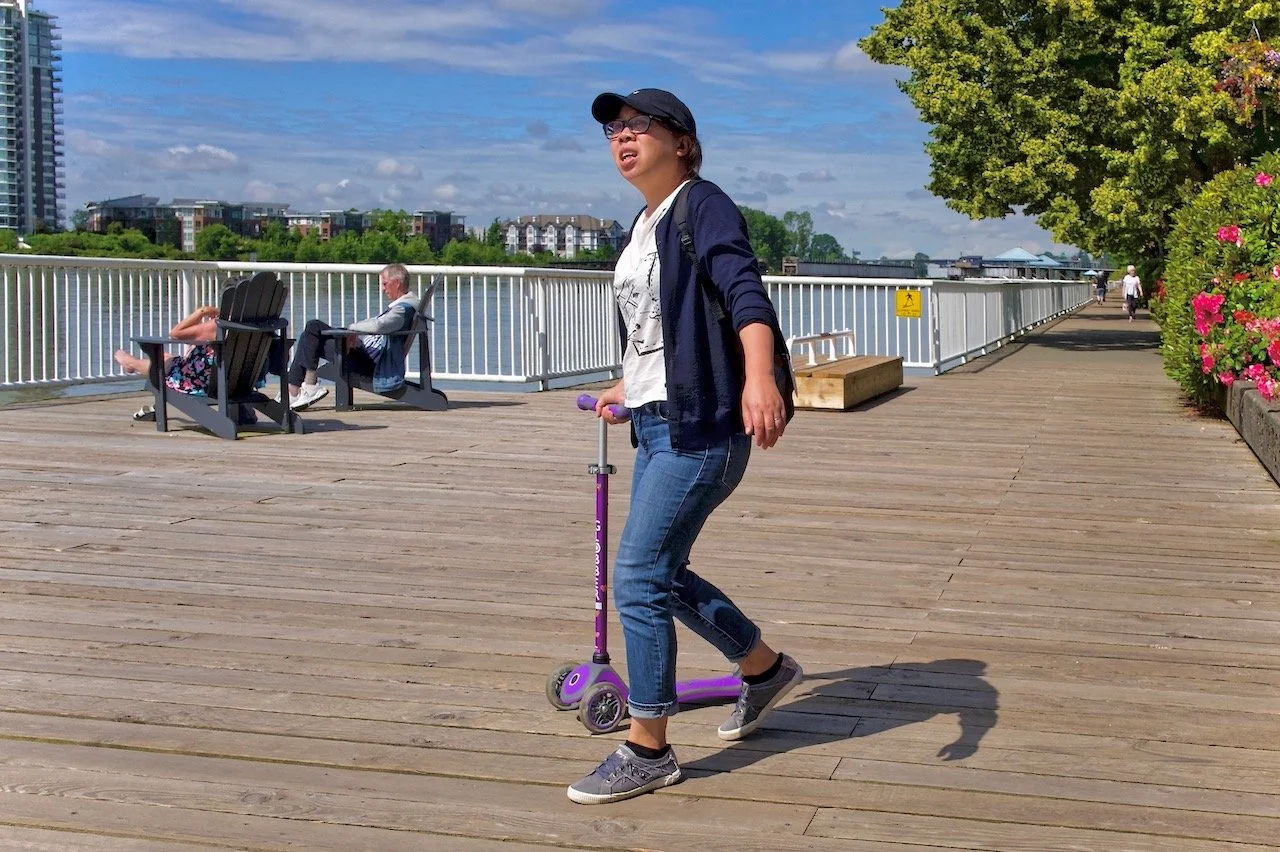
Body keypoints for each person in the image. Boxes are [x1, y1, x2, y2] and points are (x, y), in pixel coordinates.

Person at [566, 88, 802, 806]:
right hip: (657, 421)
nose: (622, 137)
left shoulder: (703, 204)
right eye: (613, 129)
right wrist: (624, 388)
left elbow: (744, 293)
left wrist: (759, 378)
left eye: (638, 125)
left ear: (682, 141)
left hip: (701, 429)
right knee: (661, 575)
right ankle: (762, 670)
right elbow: (659, 338)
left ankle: (649, 747)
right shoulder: (641, 224)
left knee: (638, 577)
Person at [285, 262, 418, 410]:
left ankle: (305, 387)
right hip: (364, 352)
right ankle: (294, 390)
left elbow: (378, 325)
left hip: (370, 364)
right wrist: (353, 333)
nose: (383, 289)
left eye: (385, 284)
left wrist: (352, 329)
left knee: (313, 329)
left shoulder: (403, 310)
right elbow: (377, 324)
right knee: (310, 334)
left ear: (397, 283)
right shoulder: (404, 306)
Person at [114, 304, 220, 418]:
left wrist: (202, 312)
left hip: (200, 385)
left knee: (163, 365)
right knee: (167, 359)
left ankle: (132, 364)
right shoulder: (238, 325)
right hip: (231, 384)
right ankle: (135, 363)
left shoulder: (219, 325)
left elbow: (175, 334)